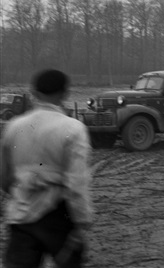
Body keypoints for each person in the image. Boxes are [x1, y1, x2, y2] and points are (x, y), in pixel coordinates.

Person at [1, 69, 93, 268]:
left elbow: (4, 177)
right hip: (59, 216)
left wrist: (22, 195)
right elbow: (76, 183)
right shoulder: (73, 128)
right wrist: (82, 219)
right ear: (65, 93)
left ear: (34, 92)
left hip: (21, 215)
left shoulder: (13, 126)